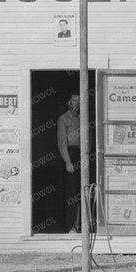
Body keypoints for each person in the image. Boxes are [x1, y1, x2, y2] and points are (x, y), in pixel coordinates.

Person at [57, 93, 83, 232]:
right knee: (72, 192)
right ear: (69, 102)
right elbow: (62, 143)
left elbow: (89, 136)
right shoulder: (64, 118)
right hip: (71, 156)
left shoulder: (82, 118)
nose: (76, 103)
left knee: (83, 190)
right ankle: (71, 225)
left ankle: (80, 224)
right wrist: (68, 161)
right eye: (74, 100)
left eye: (79, 101)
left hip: (82, 155)